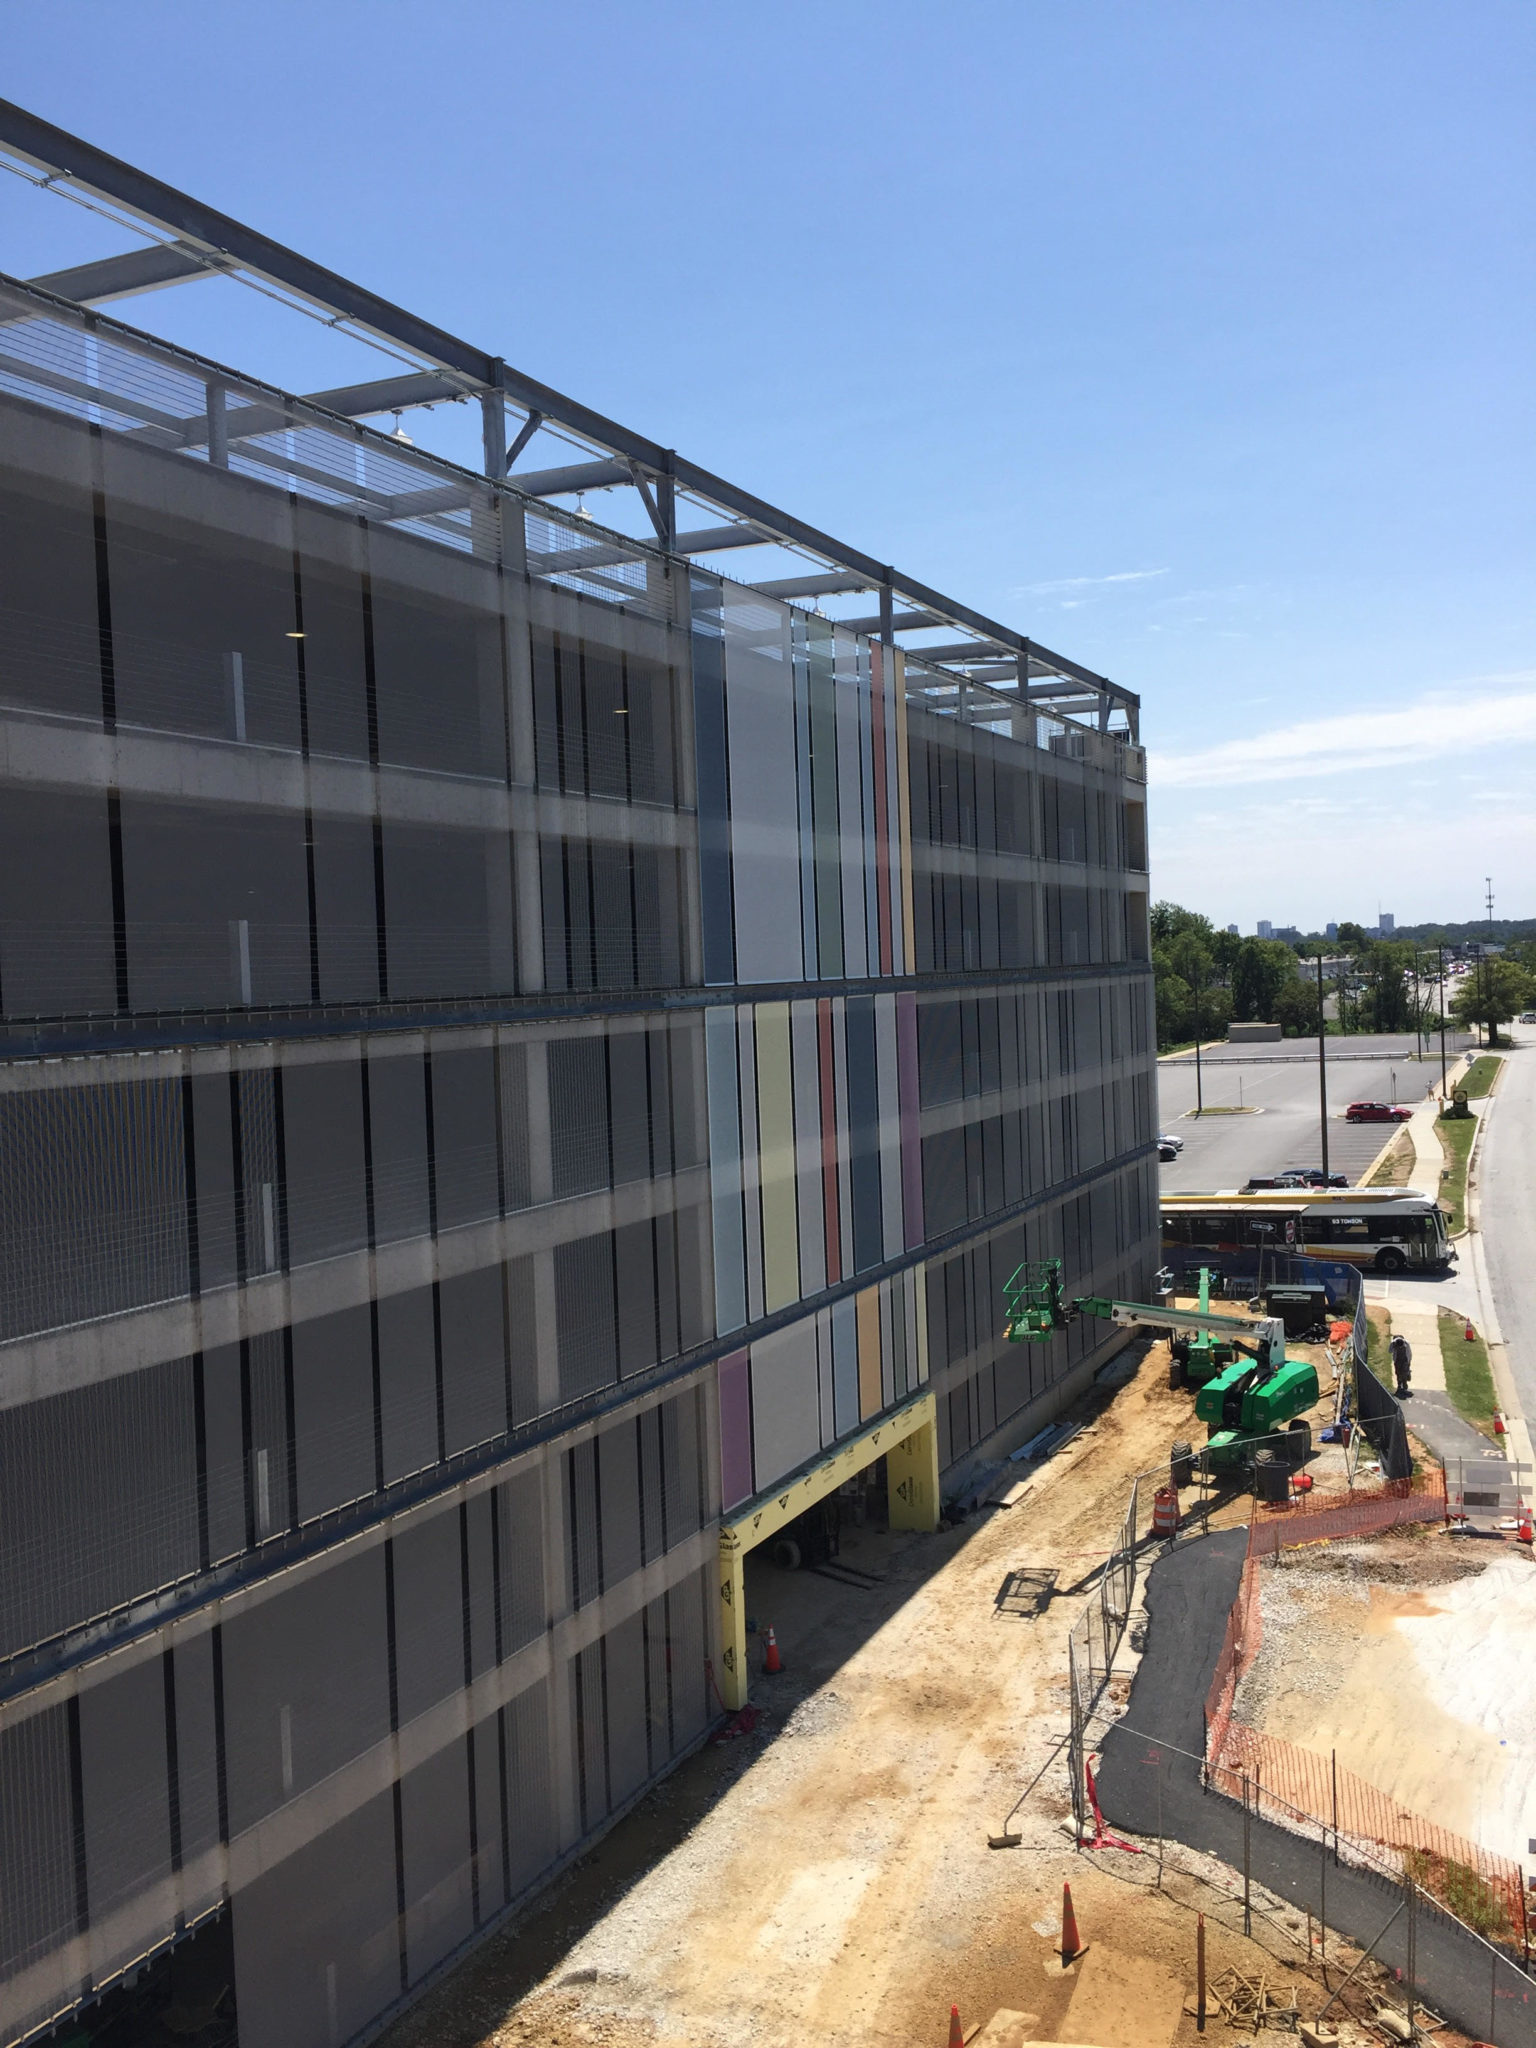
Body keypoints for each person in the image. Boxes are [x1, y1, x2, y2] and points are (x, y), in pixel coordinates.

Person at [1390, 1333, 1413, 1398]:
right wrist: (1393, 1347)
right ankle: (1399, 1385)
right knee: (1398, 1373)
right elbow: (1390, 1351)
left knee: (1404, 1373)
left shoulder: (1406, 1344)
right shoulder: (1393, 1344)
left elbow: (1409, 1354)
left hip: (1405, 1361)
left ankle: (1405, 1385)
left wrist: (1409, 1362)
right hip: (1397, 1361)